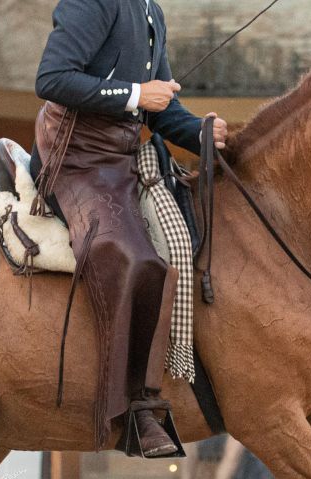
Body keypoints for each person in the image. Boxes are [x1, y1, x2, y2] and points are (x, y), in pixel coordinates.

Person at [28, 0, 226, 454]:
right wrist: (136, 94)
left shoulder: (151, 10)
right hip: (73, 158)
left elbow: (160, 108)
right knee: (133, 255)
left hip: (122, 156)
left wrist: (200, 131)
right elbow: (52, 79)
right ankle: (138, 408)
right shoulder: (91, 2)